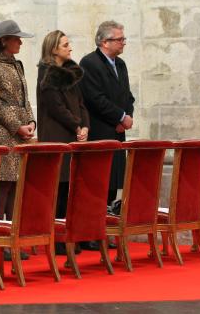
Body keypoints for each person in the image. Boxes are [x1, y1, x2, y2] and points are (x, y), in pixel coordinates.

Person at [78, 21, 135, 251]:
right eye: (119, 39)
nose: (123, 42)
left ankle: (104, 229)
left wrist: (127, 116)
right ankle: (89, 233)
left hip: (117, 133)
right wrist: (119, 117)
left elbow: (127, 95)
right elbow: (94, 98)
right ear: (104, 41)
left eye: (123, 39)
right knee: (96, 185)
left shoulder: (120, 64)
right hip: (100, 131)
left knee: (111, 185)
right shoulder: (89, 63)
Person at [36, 30, 89, 254]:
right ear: (54, 48)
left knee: (71, 189)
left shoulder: (70, 72)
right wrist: (76, 125)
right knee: (58, 188)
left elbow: (81, 103)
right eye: (66, 45)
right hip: (57, 135)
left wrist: (85, 126)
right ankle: (56, 240)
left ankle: (71, 237)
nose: (70, 48)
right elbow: (56, 107)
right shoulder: (47, 74)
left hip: (74, 135)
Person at [0, 20, 35, 223]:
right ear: (4, 41)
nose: (20, 42)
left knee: (18, 189)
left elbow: (25, 99)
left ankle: (14, 239)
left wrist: (31, 122)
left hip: (21, 136)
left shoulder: (17, 65)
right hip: (4, 136)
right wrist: (16, 126)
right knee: (2, 189)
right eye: (16, 39)